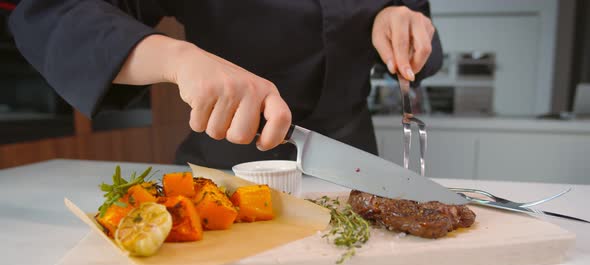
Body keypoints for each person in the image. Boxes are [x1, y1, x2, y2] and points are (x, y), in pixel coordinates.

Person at [7, 0, 442, 168]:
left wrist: (399, 18)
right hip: (226, 168)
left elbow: (423, 42)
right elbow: (54, 12)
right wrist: (177, 58)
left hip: (353, 166)